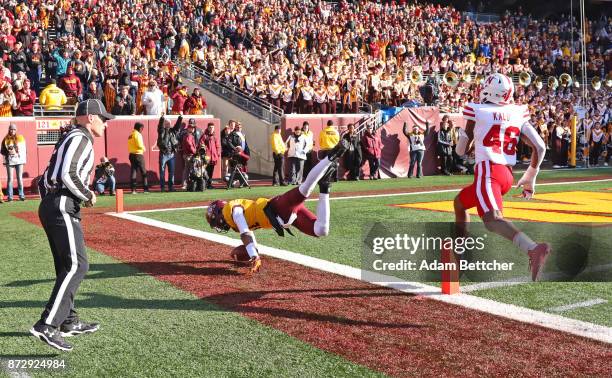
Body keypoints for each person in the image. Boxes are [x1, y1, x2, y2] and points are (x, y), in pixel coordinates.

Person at [32, 99, 114, 351]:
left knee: (67, 266)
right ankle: (47, 325)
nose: (106, 124)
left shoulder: (72, 137)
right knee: (78, 264)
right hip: (61, 204)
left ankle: (69, 321)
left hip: (54, 203)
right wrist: (87, 194)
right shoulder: (81, 137)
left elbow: (44, 179)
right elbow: (68, 173)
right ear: (90, 117)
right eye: (104, 118)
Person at [454, 73, 549, 282]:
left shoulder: (477, 109)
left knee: (491, 220)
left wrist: (464, 139)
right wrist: (530, 177)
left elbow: (461, 151)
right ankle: (459, 256)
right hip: (506, 175)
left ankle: (533, 248)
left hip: (488, 171)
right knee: (460, 203)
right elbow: (540, 147)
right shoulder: (516, 112)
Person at [206, 138, 350, 273]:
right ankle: (325, 187)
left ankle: (330, 156)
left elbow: (245, 233)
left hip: (277, 208)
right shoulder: (234, 218)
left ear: (219, 213)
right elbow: (250, 239)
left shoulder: (233, 211)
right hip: (284, 218)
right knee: (321, 230)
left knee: (305, 188)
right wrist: (253, 253)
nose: (217, 225)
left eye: (214, 220)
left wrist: (254, 256)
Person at [1, 123, 26, 201]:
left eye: (14, 129)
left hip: (19, 161)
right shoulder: (6, 139)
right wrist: (8, 152)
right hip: (10, 161)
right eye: (11, 129)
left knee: (19, 178)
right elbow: (2, 151)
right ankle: (10, 197)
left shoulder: (20, 137)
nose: (12, 131)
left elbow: (24, 149)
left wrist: (22, 158)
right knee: (10, 179)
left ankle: (21, 195)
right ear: (9, 130)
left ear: (16, 130)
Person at [157, 115, 182, 192]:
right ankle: (162, 188)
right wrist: (162, 118)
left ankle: (171, 187)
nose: (167, 124)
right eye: (166, 123)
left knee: (171, 172)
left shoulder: (173, 131)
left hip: (171, 154)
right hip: (163, 154)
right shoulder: (161, 130)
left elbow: (177, 126)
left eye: (169, 123)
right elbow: (160, 126)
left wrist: (180, 117)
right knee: (162, 172)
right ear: (164, 124)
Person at [128, 122, 149, 194]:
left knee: (133, 172)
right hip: (138, 155)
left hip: (131, 155)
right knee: (143, 172)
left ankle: (133, 190)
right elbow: (139, 145)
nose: (142, 130)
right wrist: (144, 148)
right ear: (140, 128)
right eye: (142, 128)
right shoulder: (138, 134)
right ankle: (145, 189)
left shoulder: (131, 135)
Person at [199, 123, 219, 189]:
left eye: (212, 127)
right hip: (206, 157)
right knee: (206, 171)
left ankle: (209, 184)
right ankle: (205, 184)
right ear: (208, 128)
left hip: (213, 157)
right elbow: (201, 144)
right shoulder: (204, 136)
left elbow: (217, 146)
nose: (211, 129)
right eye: (210, 127)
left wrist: (217, 154)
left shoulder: (215, 137)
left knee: (211, 172)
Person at [181, 120, 198, 189]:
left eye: (193, 128)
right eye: (191, 128)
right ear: (188, 128)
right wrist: (195, 152)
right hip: (189, 155)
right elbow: (189, 144)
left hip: (188, 154)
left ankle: (186, 184)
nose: (193, 129)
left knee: (187, 169)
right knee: (189, 170)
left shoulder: (190, 135)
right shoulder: (188, 135)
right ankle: (187, 184)